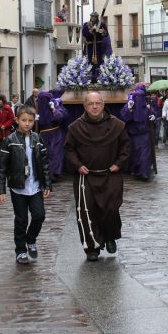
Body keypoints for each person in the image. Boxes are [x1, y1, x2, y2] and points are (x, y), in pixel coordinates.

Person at [64, 92, 130, 261]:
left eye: (98, 103)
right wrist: (78, 165)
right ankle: (92, 248)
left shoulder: (117, 125)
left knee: (110, 209)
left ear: (103, 105)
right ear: (85, 106)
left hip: (110, 174)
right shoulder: (75, 127)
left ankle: (110, 237)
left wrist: (118, 163)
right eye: (91, 103)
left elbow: (125, 148)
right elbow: (69, 149)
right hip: (86, 177)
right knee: (87, 212)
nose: (94, 107)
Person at [0, 105, 52, 264]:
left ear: (34, 121)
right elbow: (2, 168)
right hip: (18, 187)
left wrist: (47, 184)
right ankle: (20, 250)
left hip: (35, 187)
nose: (27, 123)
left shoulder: (37, 138)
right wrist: (1, 190)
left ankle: (31, 239)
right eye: (23, 120)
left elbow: (44, 162)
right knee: (21, 219)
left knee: (39, 215)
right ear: (17, 120)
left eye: (30, 120)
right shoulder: (10, 140)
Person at [119, 86, 154, 181]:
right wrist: (129, 109)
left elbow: (153, 112)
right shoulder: (131, 104)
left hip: (144, 133)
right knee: (135, 153)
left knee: (144, 153)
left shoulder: (146, 104)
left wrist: (152, 115)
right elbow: (124, 117)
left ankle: (144, 172)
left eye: (141, 96)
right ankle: (137, 170)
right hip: (133, 134)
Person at [36, 90, 68, 180]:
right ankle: (50, 173)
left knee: (54, 154)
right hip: (48, 134)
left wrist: (54, 109)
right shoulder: (40, 107)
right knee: (50, 154)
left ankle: (53, 173)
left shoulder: (50, 106)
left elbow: (60, 116)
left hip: (51, 133)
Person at [82, 11, 112, 78]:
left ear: (97, 17)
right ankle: (90, 77)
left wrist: (102, 31)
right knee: (90, 62)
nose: (93, 18)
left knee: (99, 61)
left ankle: (99, 76)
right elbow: (85, 34)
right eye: (92, 16)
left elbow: (106, 34)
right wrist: (92, 30)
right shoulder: (86, 25)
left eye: (94, 17)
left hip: (99, 46)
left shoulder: (101, 24)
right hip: (90, 46)